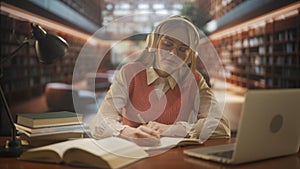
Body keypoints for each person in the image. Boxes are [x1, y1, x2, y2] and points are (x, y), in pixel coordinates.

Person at [90, 15, 231, 146]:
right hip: (134, 155)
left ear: (189, 56)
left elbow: (222, 127)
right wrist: (127, 133)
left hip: (175, 159)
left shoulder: (194, 80)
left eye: (183, 49)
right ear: (154, 44)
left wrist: (173, 130)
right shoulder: (129, 73)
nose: (173, 54)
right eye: (167, 44)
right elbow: (99, 123)